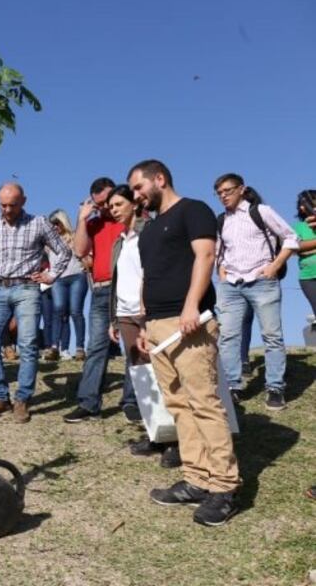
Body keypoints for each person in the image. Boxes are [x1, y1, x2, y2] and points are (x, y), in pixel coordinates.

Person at [129, 159, 240, 527]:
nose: (136, 195)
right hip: (158, 325)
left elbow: (205, 255)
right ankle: (196, 478)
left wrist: (193, 304)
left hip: (189, 322)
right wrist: (145, 325)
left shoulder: (194, 210)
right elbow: (149, 276)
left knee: (204, 402)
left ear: (159, 179)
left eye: (138, 187)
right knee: (178, 404)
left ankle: (224, 486)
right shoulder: (147, 230)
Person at [0, 183, 71, 423]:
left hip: (27, 288)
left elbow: (63, 251)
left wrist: (51, 275)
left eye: (12, 205)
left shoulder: (38, 223)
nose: (7, 209)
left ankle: (22, 400)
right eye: (2, 205)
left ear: (23, 201)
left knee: (28, 343)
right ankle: (0, 397)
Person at [103, 185, 181, 467]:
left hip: (150, 312)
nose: (113, 209)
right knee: (141, 376)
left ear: (134, 205)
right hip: (125, 316)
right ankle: (156, 434)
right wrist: (114, 318)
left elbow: (155, 271)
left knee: (163, 375)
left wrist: (147, 307)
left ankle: (176, 441)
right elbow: (117, 281)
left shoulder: (149, 230)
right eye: (110, 206)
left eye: (118, 204)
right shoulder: (120, 240)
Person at [214, 174, 298, 410]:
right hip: (231, 284)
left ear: (242, 189)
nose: (223, 196)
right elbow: (220, 251)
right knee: (228, 336)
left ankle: (275, 388)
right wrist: (222, 274)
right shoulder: (221, 220)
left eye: (227, 191)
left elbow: (291, 238)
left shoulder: (260, 211)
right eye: (219, 193)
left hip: (262, 282)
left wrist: (275, 266)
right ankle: (232, 386)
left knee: (272, 335)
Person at [65, 177, 137, 423]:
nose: (106, 207)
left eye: (109, 201)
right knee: (96, 347)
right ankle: (88, 403)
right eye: (99, 204)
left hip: (129, 289)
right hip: (101, 290)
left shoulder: (132, 218)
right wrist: (83, 219)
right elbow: (79, 251)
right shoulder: (94, 222)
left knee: (133, 348)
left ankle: (132, 401)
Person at [43, 209, 87, 362]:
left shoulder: (74, 237)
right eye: (52, 225)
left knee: (75, 311)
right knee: (58, 310)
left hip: (76, 277)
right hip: (58, 280)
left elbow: (84, 253)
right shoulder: (49, 243)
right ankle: (54, 347)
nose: (55, 227)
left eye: (57, 223)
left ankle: (80, 348)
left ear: (63, 223)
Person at [292, 190, 316, 325]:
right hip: (308, 277)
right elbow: (297, 247)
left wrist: (309, 248)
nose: (302, 207)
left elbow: (304, 249)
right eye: (300, 204)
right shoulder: (298, 227)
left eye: (306, 203)